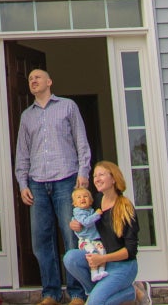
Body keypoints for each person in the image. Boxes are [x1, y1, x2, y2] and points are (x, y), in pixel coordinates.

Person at [15, 68, 93, 305]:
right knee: (41, 240)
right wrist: (22, 183)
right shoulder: (26, 116)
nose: (33, 81)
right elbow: (22, 153)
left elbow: (81, 141)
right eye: (30, 79)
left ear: (49, 81)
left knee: (71, 236)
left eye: (37, 77)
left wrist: (83, 172)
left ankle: (77, 293)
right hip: (37, 183)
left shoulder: (68, 106)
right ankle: (50, 293)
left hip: (66, 179)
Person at [61, 161, 147, 305]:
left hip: (123, 266)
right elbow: (83, 216)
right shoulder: (97, 200)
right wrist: (74, 223)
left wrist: (103, 259)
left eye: (101, 175)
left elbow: (130, 251)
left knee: (98, 303)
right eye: (94, 176)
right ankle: (99, 293)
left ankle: (132, 292)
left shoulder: (125, 208)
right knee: (71, 258)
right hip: (102, 261)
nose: (96, 179)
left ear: (113, 179)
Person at [64, 185, 104, 264]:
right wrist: (97, 214)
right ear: (75, 203)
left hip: (95, 240)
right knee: (93, 255)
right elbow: (85, 222)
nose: (82, 198)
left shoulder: (90, 210)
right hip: (86, 241)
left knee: (102, 253)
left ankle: (101, 271)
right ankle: (94, 273)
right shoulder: (78, 212)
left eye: (85, 196)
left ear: (91, 201)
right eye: (79, 197)